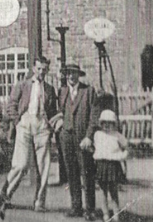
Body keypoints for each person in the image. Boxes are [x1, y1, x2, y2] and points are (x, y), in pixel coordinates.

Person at [1, 58, 61, 211]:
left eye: (44, 69)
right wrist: (17, 122)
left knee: (44, 167)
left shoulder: (49, 89)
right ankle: (5, 195)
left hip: (42, 127)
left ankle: (39, 202)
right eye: (39, 68)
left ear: (47, 70)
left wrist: (51, 126)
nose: (41, 72)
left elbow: (53, 111)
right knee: (20, 164)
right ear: (34, 68)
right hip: (25, 124)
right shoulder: (22, 85)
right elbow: (11, 105)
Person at [56, 63, 99, 219]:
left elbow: (94, 117)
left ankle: (90, 209)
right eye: (68, 73)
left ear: (78, 75)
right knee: (72, 173)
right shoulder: (62, 92)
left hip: (83, 139)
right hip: (66, 137)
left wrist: (89, 136)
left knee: (87, 174)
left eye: (73, 73)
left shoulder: (88, 91)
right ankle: (76, 207)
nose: (71, 76)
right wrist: (60, 128)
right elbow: (60, 112)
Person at [91, 110, 128, 221]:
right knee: (103, 192)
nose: (107, 125)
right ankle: (105, 214)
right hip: (101, 165)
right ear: (101, 123)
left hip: (113, 165)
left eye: (110, 122)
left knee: (113, 191)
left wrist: (122, 155)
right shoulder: (98, 135)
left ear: (114, 124)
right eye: (104, 122)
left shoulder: (117, 136)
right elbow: (95, 148)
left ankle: (116, 214)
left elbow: (126, 147)